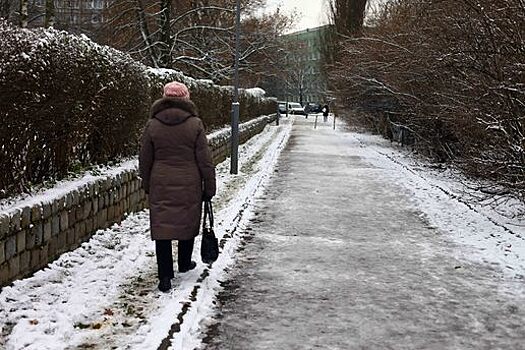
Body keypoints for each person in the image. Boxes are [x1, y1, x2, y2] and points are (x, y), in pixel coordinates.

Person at [139, 81, 216, 292]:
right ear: (186, 99)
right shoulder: (195, 124)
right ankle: (184, 263)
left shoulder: (152, 124)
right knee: (186, 220)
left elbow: (144, 159)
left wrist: (147, 184)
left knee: (162, 227)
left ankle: (164, 275)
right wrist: (209, 186)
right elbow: (205, 160)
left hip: (160, 182)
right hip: (189, 182)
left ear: (164, 98)